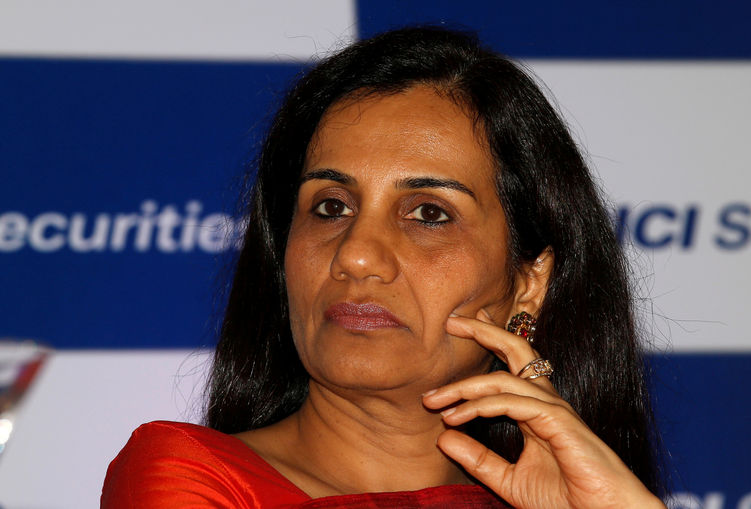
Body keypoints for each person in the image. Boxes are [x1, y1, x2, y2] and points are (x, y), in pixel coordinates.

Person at [102, 27, 666, 508]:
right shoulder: (192, 477)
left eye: (428, 213)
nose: (355, 254)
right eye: (331, 207)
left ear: (527, 284)